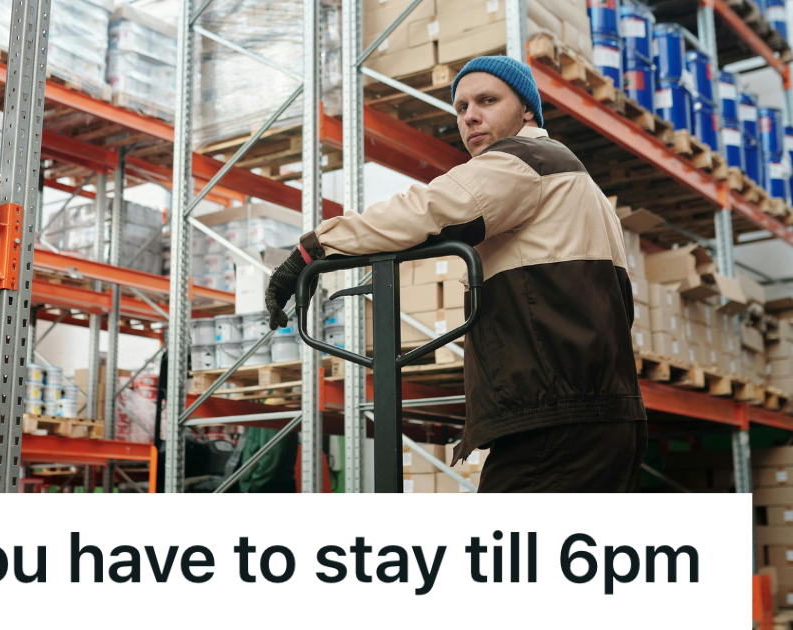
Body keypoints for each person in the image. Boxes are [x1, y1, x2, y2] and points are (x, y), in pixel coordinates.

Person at [264, 56, 647, 493]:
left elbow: (425, 211)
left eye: (487, 100)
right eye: (462, 107)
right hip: (599, 413)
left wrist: (311, 250)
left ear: (527, 110)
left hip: (557, 422)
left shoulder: (524, 160)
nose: (470, 116)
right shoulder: (577, 181)